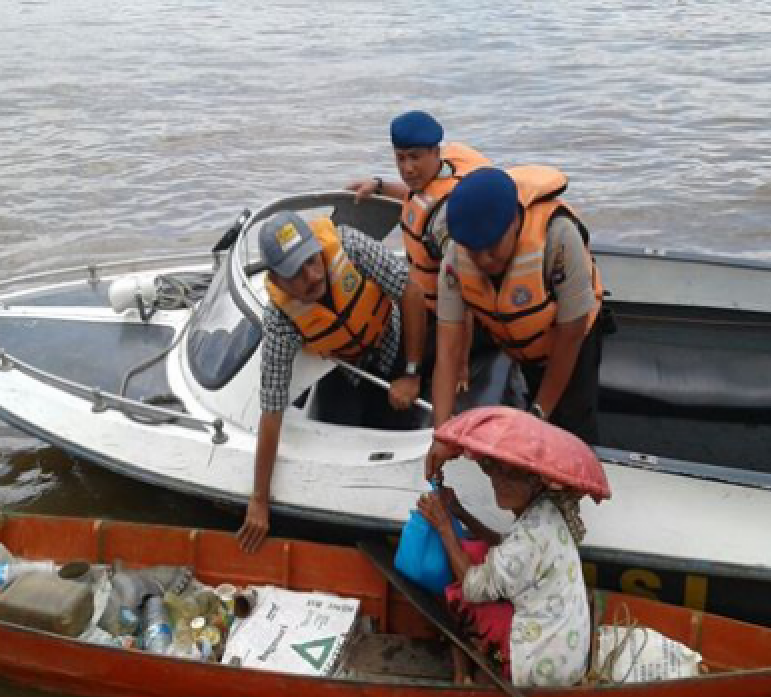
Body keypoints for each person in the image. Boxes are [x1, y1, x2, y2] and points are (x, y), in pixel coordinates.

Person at [237, 210, 415, 552]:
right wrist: (259, 499)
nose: (313, 274)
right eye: (296, 272)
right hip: (345, 369)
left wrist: (411, 372)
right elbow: (271, 408)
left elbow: (410, 292)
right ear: (276, 279)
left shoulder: (349, 245)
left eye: (312, 259)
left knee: (399, 425)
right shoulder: (279, 320)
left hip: (393, 343)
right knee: (340, 439)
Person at [425, 166, 605, 477]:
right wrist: (441, 434)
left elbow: (572, 332)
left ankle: (579, 485)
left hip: (572, 338)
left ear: (514, 222)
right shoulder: (456, 258)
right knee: (531, 401)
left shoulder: (559, 238)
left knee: (572, 421)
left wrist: (539, 413)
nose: (482, 260)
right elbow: (448, 348)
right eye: (474, 251)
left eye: (492, 248)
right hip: (520, 342)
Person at [347, 111, 490, 407]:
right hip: (422, 300)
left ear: (435, 153)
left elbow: (467, 294)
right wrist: (381, 185)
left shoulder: (446, 224)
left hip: (453, 315)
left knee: (396, 384)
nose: (407, 168)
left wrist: (460, 365)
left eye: (414, 157)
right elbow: (419, 196)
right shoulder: (442, 172)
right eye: (400, 159)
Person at [415, 457, 592, 688]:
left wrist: (443, 526)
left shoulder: (529, 537)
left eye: (513, 477)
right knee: (474, 551)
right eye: (498, 472)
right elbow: (505, 545)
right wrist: (460, 513)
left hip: (540, 665)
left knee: (458, 592)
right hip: (564, 644)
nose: (500, 482)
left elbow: (472, 587)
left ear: (535, 483)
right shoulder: (544, 510)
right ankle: (468, 667)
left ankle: (467, 677)